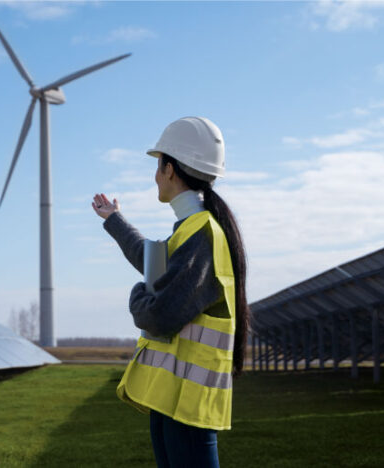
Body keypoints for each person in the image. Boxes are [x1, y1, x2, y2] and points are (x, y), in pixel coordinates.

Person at [91, 116, 249, 468]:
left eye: (158, 166)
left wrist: (137, 294)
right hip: (174, 401)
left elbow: (160, 314)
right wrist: (114, 219)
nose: (155, 176)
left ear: (171, 169)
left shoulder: (202, 236)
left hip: (188, 407)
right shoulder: (193, 229)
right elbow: (153, 261)